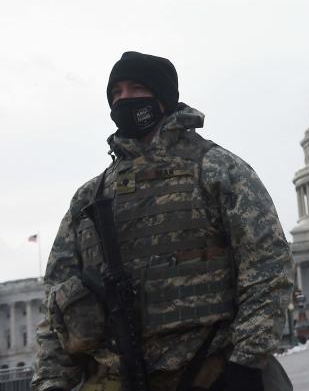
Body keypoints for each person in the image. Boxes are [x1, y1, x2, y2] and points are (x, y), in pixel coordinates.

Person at [33, 51, 294, 391]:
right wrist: (51, 382)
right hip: (119, 378)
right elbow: (58, 305)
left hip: (213, 372)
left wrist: (244, 364)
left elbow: (267, 270)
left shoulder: (217, 171)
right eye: (116, 93)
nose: (124, 99)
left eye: (136, 88)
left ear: (163, 98)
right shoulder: (90, 200)